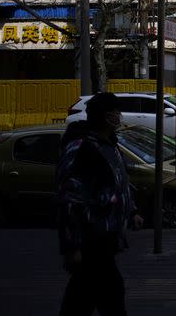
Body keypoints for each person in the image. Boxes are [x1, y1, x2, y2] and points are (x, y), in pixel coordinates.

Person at [56, 92, 143, 316]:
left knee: (87, 294)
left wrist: (131, 211)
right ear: (106, 116)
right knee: (105, 293)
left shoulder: (109, 144)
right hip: (91, 236)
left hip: (107, 234)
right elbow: (70, 199)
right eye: (116, 112)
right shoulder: (81, 148)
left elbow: (119, 182)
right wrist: (72, 245)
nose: (120, 116)